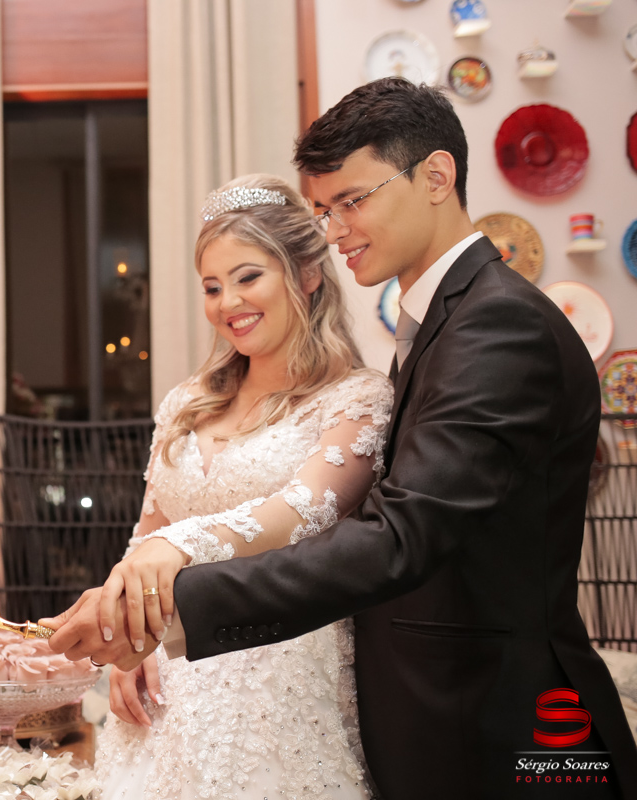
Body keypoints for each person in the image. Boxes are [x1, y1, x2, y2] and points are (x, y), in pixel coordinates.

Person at [45, 78, 637, 799]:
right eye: (323, 209)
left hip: (499, 723)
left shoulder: (495, 325)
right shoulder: (445, 322)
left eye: (352, 201)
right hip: (427, 709)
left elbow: (400, 536)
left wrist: (174, 597)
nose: (333, 229)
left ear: (436, 177)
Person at [87, 172, 392, 799]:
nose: (228, 302)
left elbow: (299, 511)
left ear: (307, 274)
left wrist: (178, 548)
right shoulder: (185, 403)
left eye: (248, 276)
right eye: (212, 286)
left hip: (279, 682)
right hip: (166, 682)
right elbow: (145, 533)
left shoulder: (357, 398)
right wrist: (129, 640)